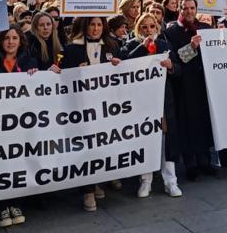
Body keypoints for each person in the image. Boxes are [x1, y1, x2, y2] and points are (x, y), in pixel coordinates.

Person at [0, 26, 44, 227]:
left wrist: (36, 75)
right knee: (1, 165)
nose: (11, 42)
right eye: (6, 38)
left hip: (22, 124)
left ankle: (16, 203)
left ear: (20, 41)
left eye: (15, 38)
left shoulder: (30, 62)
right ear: (0, 41)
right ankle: (2, 206)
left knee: (18, 164)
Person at [60, 16, 121, 212]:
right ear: (85, 26)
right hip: (81, 107)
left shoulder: (112, 45)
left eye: (99, 24)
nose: (95, 29)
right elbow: (62, 78)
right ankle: (87, 190)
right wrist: (75, 72)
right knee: (84, 147)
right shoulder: (71, 49)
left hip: (105, 107)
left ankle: (98, 182)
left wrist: (120, 65)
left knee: (101, 145)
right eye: (92, 24)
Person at [121, 13, 180, 197]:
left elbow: (179, 70)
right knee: (145, 139)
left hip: (163, 101)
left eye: (152, 26)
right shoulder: (131, 46)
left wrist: (171, 66)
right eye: (144, 27)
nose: (148, 30)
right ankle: (145, 181)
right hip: (141, 102)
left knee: (166, 141)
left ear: (157, 28)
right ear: (138, 29)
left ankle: (170, 181)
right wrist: (141, 48)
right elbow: (124, 66)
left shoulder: (165, 45)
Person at [160, 0, 217, 180]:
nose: (189, 11)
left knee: (203, 122)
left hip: (203, 84)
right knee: (186, 123)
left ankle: (205, 160)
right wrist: (192, 47)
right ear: (180, 10)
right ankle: (190, 163)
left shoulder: (206, 29)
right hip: (183, 85)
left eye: (192, 8)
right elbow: (175, 58)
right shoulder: (171, 32)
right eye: (185, 8)